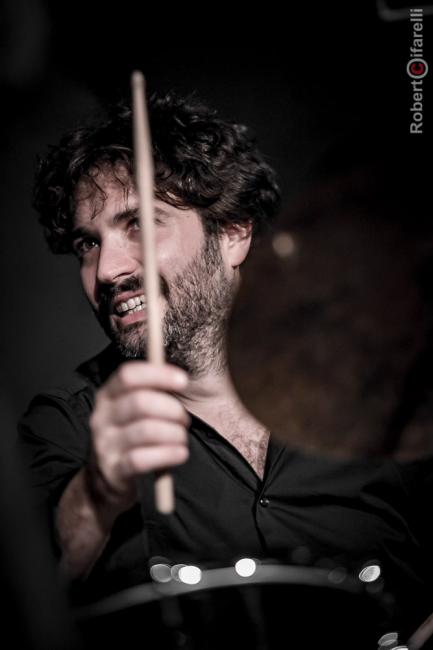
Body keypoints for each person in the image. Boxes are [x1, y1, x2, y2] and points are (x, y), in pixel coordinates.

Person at [17, 91, 433, 643]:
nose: (107, 269)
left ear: (233, 232)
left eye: (139, 224)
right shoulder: (68, 425)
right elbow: (25, 599)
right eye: (87, 244)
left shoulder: (372, 392)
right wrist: (96, 495)